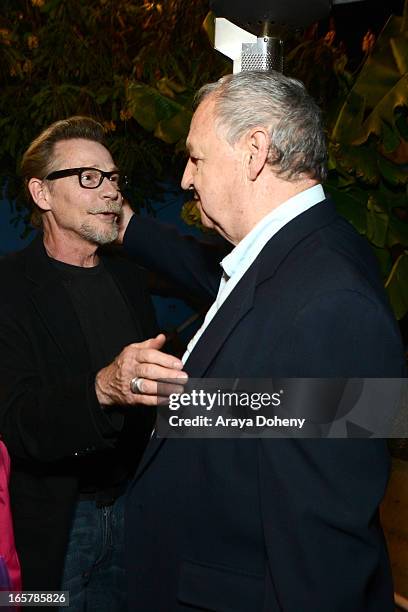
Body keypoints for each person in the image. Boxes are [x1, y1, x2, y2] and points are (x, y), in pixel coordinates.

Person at [115, 71, 406, 611]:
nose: (184, 178)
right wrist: (182, 405)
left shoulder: (331, 302)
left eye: (196, 159)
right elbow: (279, 413)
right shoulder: (298, 254)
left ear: (254, 152)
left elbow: (324, 560)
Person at [0, 116, 186, 610]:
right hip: (55, 526)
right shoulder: (9, 287)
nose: (110, 192)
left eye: (113, 177)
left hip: (135, 510)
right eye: (89, 177)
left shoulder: (129, 278)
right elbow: (19, 422)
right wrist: (101, 388)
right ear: (42, 193)